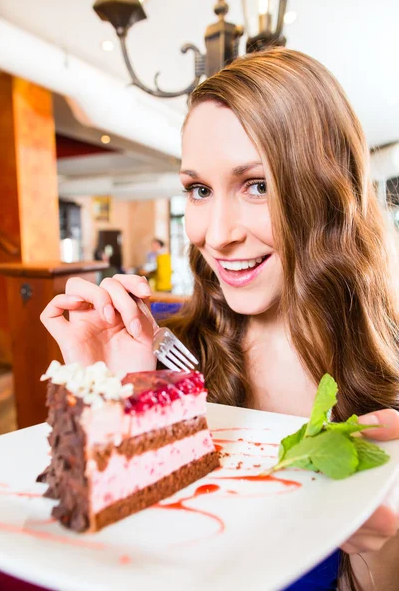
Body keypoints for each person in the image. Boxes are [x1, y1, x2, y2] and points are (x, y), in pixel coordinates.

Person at [41, 49, 399, 590]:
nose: (215, 232)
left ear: (331, 191)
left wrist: (385, 535)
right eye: (199, 190)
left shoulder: (388, 381)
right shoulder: (170, 353)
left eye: (257, 185)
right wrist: (109, 392)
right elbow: (114, 560)